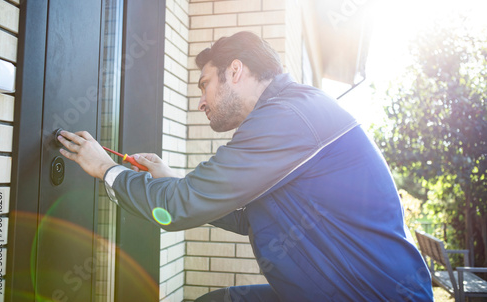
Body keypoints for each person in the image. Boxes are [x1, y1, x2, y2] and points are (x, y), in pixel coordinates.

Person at [58, 31, 434, 301]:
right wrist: (173, 179)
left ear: (235, 71)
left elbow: (177, 208)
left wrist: (106, 169)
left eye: (204, 85)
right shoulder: (291, 109)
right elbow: (246, 214)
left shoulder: (285, 118)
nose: (200, 102)